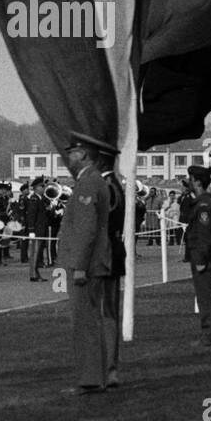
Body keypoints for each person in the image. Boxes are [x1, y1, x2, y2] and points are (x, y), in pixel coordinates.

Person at [55, 132, 112, 392]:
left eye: (74, 152)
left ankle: (90, 379)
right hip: (91, 263)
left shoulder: (88, 183)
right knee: (90, 321)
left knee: (85, 322)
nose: (70, 156)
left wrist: (78, 266)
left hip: (86, 266)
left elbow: (86, 229)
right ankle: (95, 376)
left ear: (85, 154)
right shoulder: (91, 181)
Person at [99, 143, 126, 388]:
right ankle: (108, 366)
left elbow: (101, 224)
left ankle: (108, 367)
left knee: (106, 312)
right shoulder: (113, 185)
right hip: (112, 252)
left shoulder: (107, 187)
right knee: (108, 311)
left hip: (105, 255)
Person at [186, 164, 211, 347]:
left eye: (191, 180)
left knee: (206, 298)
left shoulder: (204, 205)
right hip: (201, 257)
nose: (189, 183)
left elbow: (204, 236)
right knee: (205, 297)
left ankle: (210, 335)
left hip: (203, 259)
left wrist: (199, 260)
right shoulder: (201, 203)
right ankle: (208, 334)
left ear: (197, 182)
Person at [25, 177, 49, 281]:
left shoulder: (41, 198)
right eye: (42, 186)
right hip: (36, 230)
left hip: (41, 230)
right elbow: (31, 216)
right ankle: (33, 275)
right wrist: (31, 231)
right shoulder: (34, 199)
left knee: (38, 253)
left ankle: (36, 273)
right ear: (36, 188)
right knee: (34, 253)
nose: (44, 188)